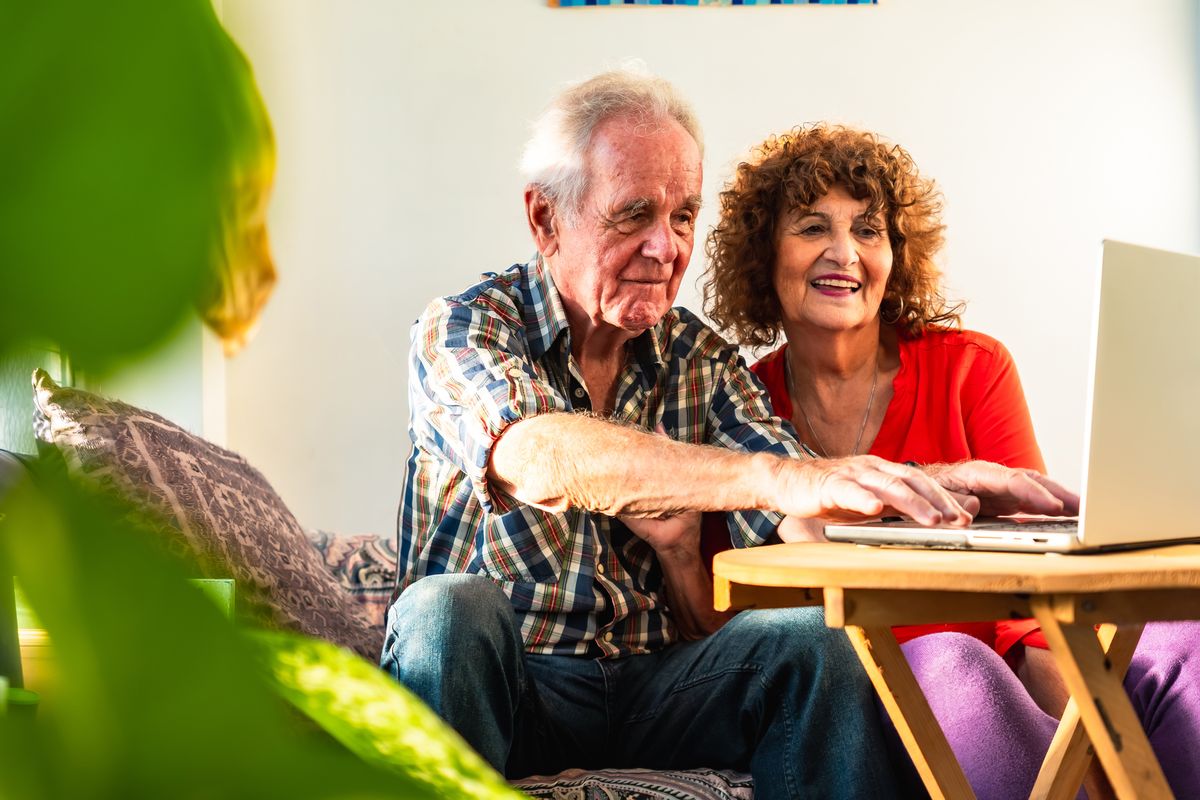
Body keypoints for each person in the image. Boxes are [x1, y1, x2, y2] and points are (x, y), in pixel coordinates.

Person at [380, 70, 1074, 799]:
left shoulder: (697, 356)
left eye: (683, 217)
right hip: (510, 677)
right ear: (546, 219)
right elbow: (534, 452)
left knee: (817, 636)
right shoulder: (466, 328)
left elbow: (802, 516)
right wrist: (778, 475)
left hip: (653, 686)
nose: (665, 246)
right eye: (633, 214)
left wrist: (926, 486)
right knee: (444, 608)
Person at [701, 123, 1200, 799]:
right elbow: (729, 628)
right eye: (814, 227)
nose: (844, 253)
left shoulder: (972, 367)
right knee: (950, 661)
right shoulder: (736, 406)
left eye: (868, 230)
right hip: (886, 701)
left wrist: (1081, 749)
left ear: (896, 255)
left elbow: (1037, 613)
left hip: (1019, 690)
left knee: (1181, 641)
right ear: (765, 254)